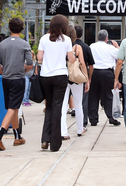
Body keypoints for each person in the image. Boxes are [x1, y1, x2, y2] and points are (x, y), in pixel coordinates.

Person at [0, 18, 34, 151]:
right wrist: (23, 69)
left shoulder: (2, 44)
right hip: (18, 79)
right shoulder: (25, 44)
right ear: (21, 29)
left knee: (12, 106)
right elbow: (30, 64)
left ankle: (17, 136)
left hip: (6, 79)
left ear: (9, 29)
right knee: (14, 107)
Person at [37, 14, 76, 151]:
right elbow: (71, 60)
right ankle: (55, 143)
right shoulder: (66, 40)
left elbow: (39, 58)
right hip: (60, 75)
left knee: (49, 106)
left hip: (46, 76)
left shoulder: (43, 38)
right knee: (57, 107)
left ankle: (45, 139)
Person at [60, 26, 89, 139]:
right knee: (78, 104)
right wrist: (86, 78)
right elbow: (82, 63)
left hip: (63, 77)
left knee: (63, 105)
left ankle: (63, 131)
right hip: (76, 78)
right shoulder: (77, 47)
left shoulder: (60, 46)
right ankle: (79, 129)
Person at [88, 30, 121, 126]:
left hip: (94, 72)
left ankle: (93, 119)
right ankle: (111, 117)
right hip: (106, 72)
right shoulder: (110, 47)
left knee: (93, 96)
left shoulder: (92, 46)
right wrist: (117, 46)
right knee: (108, 96)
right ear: (107, 38)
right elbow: (120, 56)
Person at [72, 26, 95, 130]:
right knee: (82, 100)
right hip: (80, 76)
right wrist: (88, 78)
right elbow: (90, 65)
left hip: (68, 75)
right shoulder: (85, 47)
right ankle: (83, 123)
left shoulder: (69, 46)